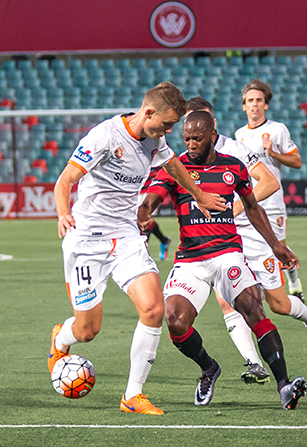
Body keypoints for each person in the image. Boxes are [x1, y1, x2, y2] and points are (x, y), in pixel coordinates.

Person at [49, 82, 226, 416]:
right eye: (167, 124)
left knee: (153, 309)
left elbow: (173, 164)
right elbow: (64, 182)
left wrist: (199, 195)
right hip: (87, 240)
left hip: (125, 236)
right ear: (148, 113)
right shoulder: (104, 137)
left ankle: (133, 395)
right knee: (87, 331)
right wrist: (63, 213)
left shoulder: (155, 139)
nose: (170, 131)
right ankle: (61, 339)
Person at [139, 110, 307, 410]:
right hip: (191, 259)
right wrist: (144, 212)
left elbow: (254, 208)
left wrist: (276, 246)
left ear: (212, 137)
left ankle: (284, 386)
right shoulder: (174, 168)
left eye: (197, 138)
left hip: (228, 252)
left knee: (252, 307)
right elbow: (152, 198)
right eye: (186, 138)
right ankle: (208, 368)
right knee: (175, 321)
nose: (190, 144)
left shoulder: (234, 167)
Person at [186, 97, 307, 387]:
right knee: (227, 302)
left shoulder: (234, 149)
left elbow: (270, 182)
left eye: (204, 124)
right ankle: (254, 362)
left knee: (278, 304)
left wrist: (236, 207)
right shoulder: (186, 158)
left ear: (213, 125)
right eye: (191, 126)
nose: (197, 132)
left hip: (251, 235)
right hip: (220, 243)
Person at [235, 79, 304, 301]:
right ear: (244, 106)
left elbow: (297, 161)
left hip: (272, 202)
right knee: (250, 249)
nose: (254, 104)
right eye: (250, 101)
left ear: (266, 105)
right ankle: (262, 294)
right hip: (249, 202)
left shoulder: (277, 129)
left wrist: (274, 153)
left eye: (259, 100)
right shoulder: (239, 135)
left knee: (278, 246)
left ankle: (294, 283)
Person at [139, 166, 172, 260]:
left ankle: (143, 252)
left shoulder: (156, 156)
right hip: (135, 191)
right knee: (142, 221)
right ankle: (164, 240)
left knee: (145, 219)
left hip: (150, 193)